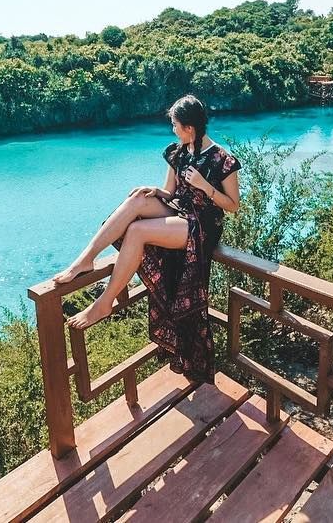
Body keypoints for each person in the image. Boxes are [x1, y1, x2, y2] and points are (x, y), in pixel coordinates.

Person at [52, 94, 241, 383]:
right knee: (138, 199)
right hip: (179, 209)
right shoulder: (178, 151)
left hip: (201, 224)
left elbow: (233, 205)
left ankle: (105, 302)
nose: (173, 130)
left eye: (175, 125)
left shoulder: (221, 159)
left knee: (137, 231)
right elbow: (170, 192)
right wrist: (155, 191)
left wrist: (205, 186)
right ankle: (85, 260)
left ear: (190, 128)